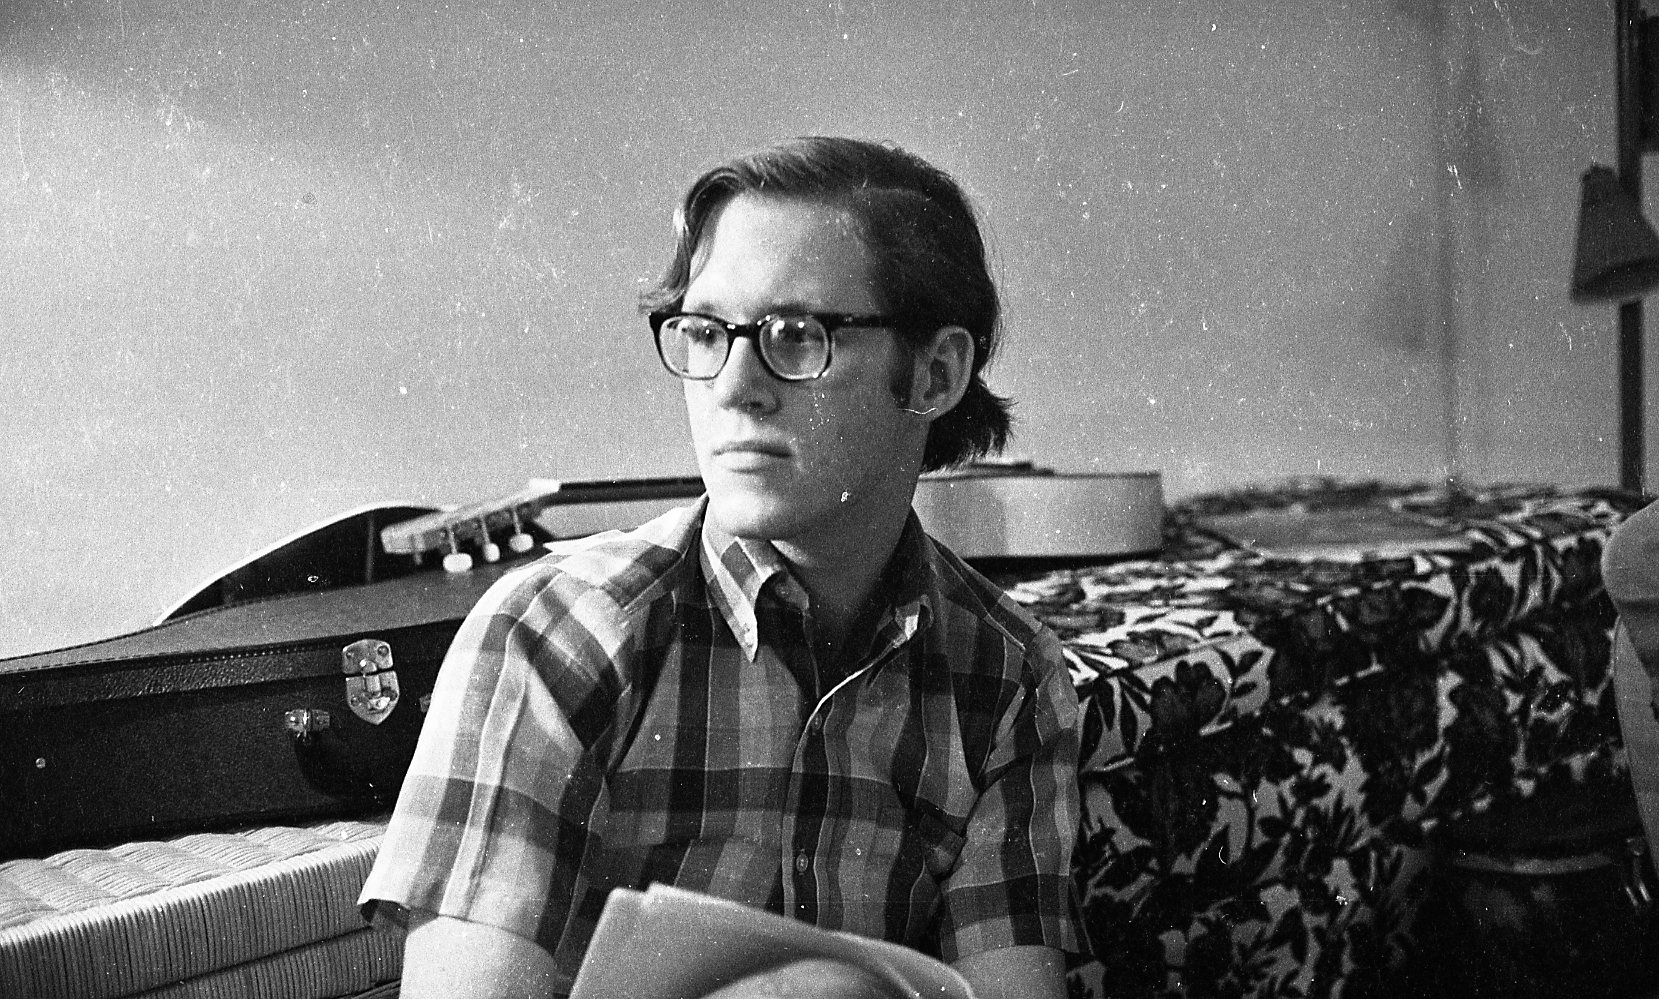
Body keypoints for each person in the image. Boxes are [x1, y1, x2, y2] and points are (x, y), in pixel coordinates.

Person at [358, 136, 1085, 998]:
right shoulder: (553, 634)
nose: (733, 386)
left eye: (797, 335)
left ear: (934, 373)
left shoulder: (1010, 675)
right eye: (704, 333)